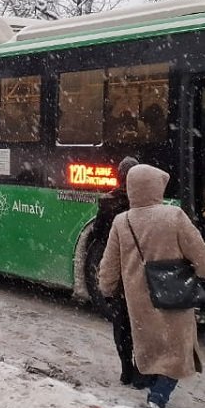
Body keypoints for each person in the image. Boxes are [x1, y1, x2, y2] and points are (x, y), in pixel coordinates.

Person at [98, 163, 205, 408]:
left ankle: (151, 386)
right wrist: (202, 272)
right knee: (176, 350)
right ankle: (158, 398)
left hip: (138, 301)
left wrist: (106, 289)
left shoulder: (122, 221)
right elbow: (201, 256)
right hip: (175, 295)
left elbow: (109, 266)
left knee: (151, 348)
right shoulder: (174, 216)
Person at [87, 156, 140, 385]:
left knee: (122, 326)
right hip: (139, 272)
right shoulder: (143, 205)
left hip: (120, 274)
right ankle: (142, 371)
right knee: (141, 324)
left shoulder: (108, 203)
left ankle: (126, 369)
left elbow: (98, 235)